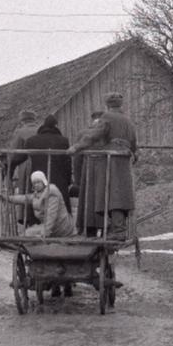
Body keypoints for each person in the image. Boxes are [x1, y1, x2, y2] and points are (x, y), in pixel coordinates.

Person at [67, 92, 137, 241]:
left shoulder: (107, 117)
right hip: (124, 158)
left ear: (107, 105)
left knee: (112, 193)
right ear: (120, 105)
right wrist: (134, 154)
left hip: (111, 158)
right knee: (120, 193)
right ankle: (117, 227)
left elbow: (95, 135)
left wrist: (76, 147)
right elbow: (133, 142)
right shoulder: (128, 120)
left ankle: (118, 230)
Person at [9, 114, 73, 213]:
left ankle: (36, 224)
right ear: (56, 126)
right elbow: (67, 164)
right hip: (59, 183)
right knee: (59, 211)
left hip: (39, 182)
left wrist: (9, 169)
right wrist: (68, 181)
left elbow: (18, 158)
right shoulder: (64, 141)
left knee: (38, 211)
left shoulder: (32, 141)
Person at [5, 171, 76, 239]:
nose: (36, 185)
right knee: (27, 234)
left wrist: (45, 232)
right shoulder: (38, 193)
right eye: (34, 183)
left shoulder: (51, 192)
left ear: (43, 181)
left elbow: (51, 214)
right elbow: (25, 198)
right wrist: (9, 198)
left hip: (60, 226)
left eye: (38, 182)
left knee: (27, 234)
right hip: (52, 226)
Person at [70, 110, 106, 236]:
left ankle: (88, 229)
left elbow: (77, 158)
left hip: (88, 172)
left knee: (88, 200)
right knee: (103, 198)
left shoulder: (83, 134)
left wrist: (78, 179)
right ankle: (105, 229)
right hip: (104, 172)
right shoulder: (106, 134)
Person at [6, 109, 40, 227]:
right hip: (45, 165)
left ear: (22, 121)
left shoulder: (20, 132)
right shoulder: (41, 130)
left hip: (28, 166)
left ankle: (28, 220)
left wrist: (8, 170)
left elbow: (14, 154)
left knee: (27, 192)